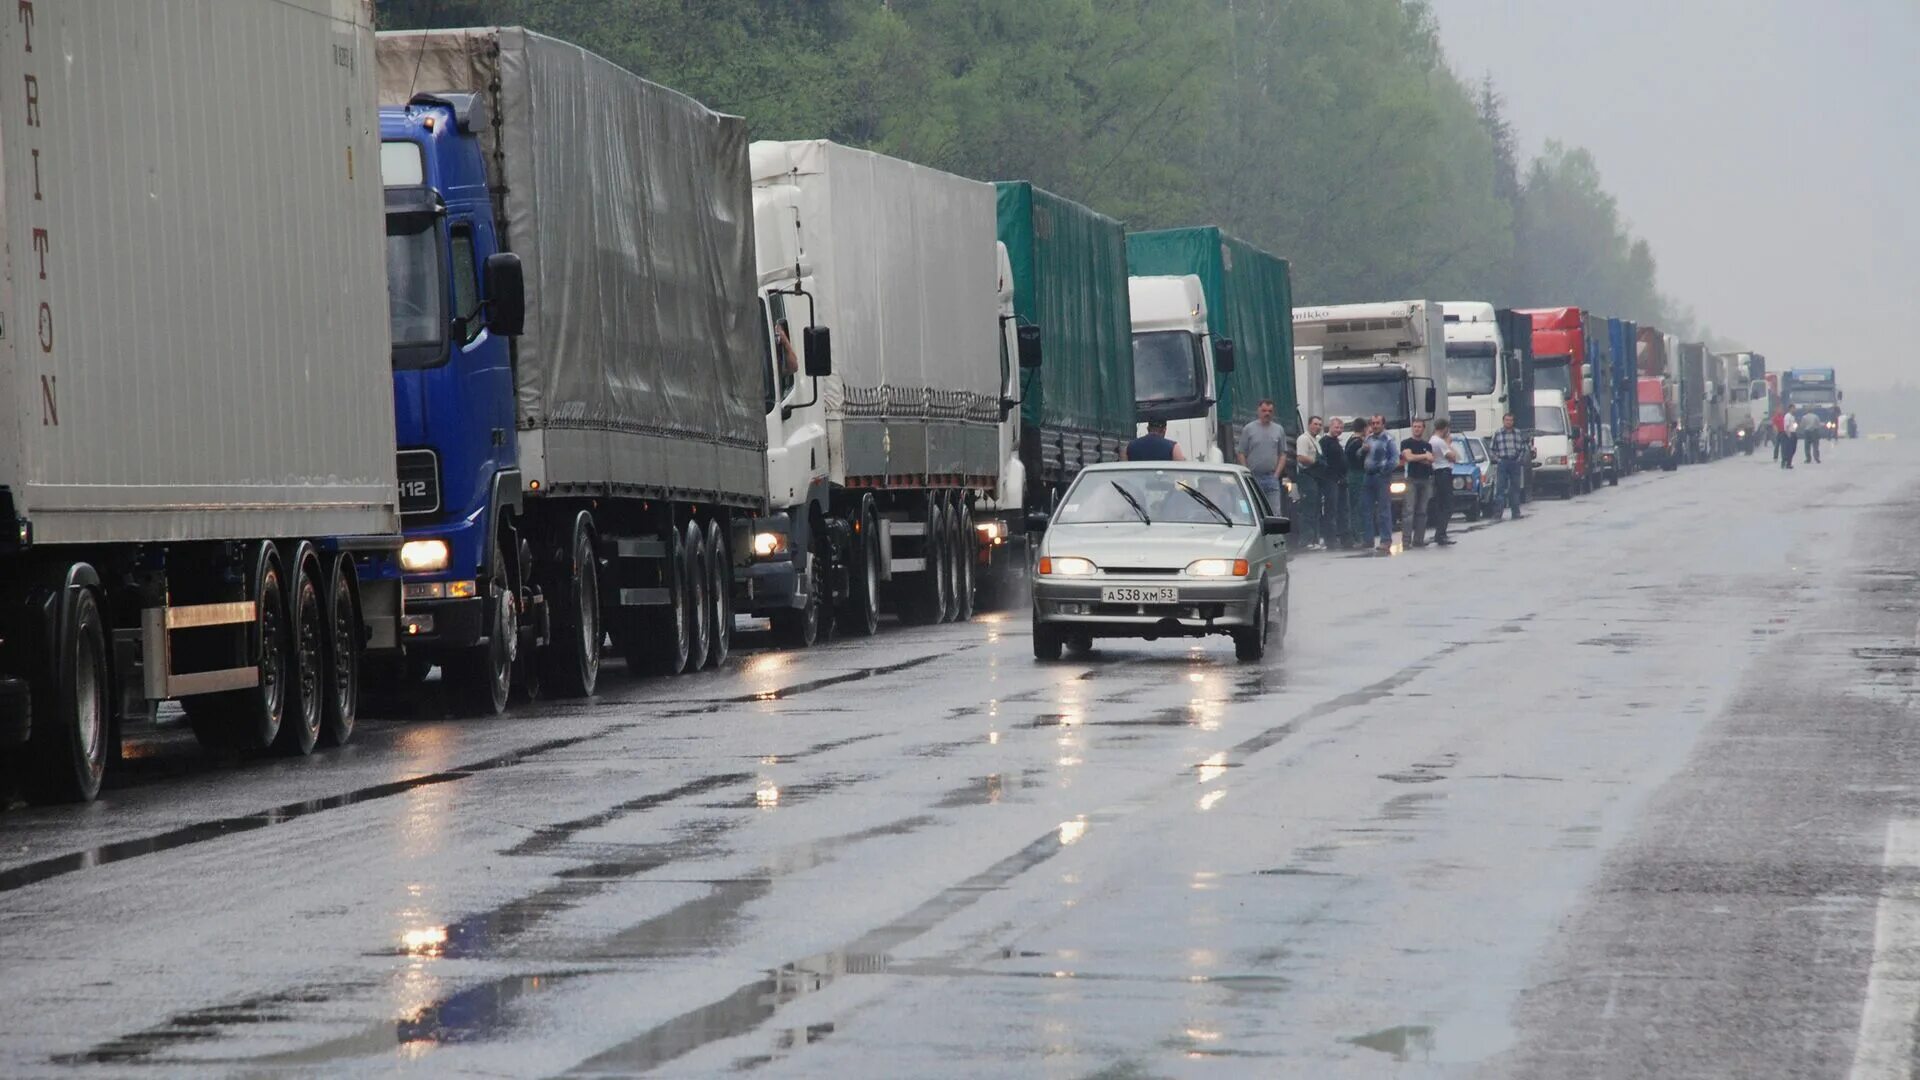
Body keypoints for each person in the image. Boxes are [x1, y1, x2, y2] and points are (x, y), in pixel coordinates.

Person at [1236, 399, 1288, 513]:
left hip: (1271, 478)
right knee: (1253, 512)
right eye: (1264, 410)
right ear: (1258, 411)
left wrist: (1276, 475)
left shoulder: (1279, 430)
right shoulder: (1248, 429)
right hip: (1253, 477)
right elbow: (1241, 453)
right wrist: (1247, 472)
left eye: (1270, 411)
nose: (1267, 413)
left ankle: (1275, 531)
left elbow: (1283, 454)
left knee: (1275, 513)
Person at [1363, 415, 1398, 554]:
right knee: (1366, 509)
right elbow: (1362, 455)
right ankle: (1368, 539)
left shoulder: (1388, 439)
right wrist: (1362, 450)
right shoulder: (1368, 439)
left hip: (1381, 478)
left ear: (1383, 424)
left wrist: (1384, 471)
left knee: (1383, 510)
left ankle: (1385, 540)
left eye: (1378, 423)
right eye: (1373, 423)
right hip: (1368, 476)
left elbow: (1394, 459)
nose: (1375, 425)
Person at [1399, 418, 1436, 549]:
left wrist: (1419, 457)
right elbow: (1408, 457)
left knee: (1422, 511)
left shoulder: (1428, 445)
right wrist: (1424, 456)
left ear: (1423, 428)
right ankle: (1406, 541)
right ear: (1412, 428)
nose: (1417, 429)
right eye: (1414, 426)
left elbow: (1431, 459)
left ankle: (1419, 539)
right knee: (1409, 511)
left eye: (1419, 427)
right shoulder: (1406, 443)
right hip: (1411, 479)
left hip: (1426, 479)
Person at [1488, 412, 1527, 520]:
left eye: (1511, 420)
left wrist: (1519, 459)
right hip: (1503, 463)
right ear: (1503, 421)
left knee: (1515, 489)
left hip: (1515, 463)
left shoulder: (1518, 433)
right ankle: (1498, 514)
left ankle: (1516, 513)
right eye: (1507, 420)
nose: (1509, 422)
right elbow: (1491, 449)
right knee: (1500, 489)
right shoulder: (1498, 433)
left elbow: (1523, 448)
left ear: (1513, 422)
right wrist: (1498, 460)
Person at [1293, 416, 1325, 549]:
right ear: (1309, 424)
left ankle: (1315, 540)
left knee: (1316, 508)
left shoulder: (1316, 440)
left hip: (1315, 477)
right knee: (1308, 509)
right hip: (1306, 476)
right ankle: (1306, 541)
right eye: (1315, 424)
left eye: (1319, 425)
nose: (1317, 427)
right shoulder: (1303, 439)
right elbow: (1300, 457)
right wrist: (1315, 462)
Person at [1428, 418, 1459, 546]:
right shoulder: (1439, 442)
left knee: (1442, 504)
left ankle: (1441, 533)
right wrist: (1448, 443)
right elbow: (1453, 457)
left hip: (1439, 473)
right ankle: (1441, 533)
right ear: (1445, 428)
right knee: (1447, 505)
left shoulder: (1432, 440)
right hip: (1443, 473)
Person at [1320, 417, 1349, 549]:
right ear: (1330, 427)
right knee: (1331, 509)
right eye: (1336, 427)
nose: (1339, 430)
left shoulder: (1336, 442)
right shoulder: (1325, 442)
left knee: (1341, 509)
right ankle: (1330, 539)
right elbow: (1324, 461)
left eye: (1341, 428)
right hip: (1331, 480)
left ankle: (1342, 537)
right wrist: (1331, 476)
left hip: (1341, 480)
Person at [1343, 416, 1371, 549]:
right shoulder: (1357, 443)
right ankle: (1358, 536)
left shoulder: (1349, 440)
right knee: (1357, 506)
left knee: (1355, 506)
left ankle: (1357, 535)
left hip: (1352, 475)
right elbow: (1358, 457)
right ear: (1364, 428)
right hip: (1357, 475)